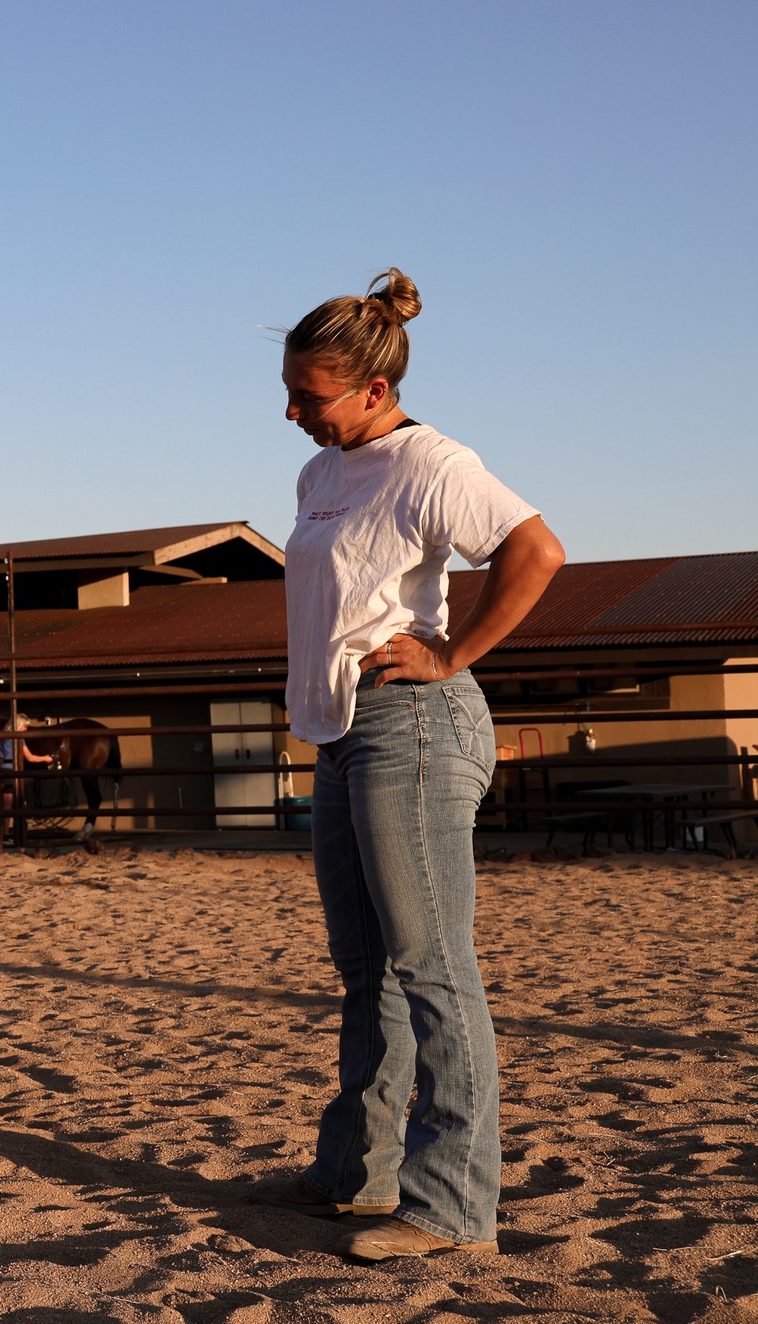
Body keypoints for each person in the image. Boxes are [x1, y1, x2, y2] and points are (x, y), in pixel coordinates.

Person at [250, 269, 565, 1261]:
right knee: (365, 971)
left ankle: (450, 1205)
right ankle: (355, 1175)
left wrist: (450, 652)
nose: (292, 409)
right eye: (291, 391)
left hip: (414, 726)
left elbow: (535, 549)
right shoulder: (319, 476)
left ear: (373, 390)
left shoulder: (432, 463)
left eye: (311, 394)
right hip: (342, 733)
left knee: (431, 968)